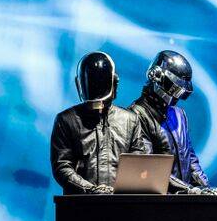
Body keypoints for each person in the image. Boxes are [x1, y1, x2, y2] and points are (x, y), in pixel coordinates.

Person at [129, 50, 217, 194]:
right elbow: (149, 169)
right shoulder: (136, 116)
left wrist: (208, 190)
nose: (176, 97)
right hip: (159, 200)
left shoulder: (179, 115)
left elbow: (191, 161)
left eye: (181, 93)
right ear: (156, 76)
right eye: (174, 89)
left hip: (185, 198)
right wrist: (192, 191)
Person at [50, 51, 146, 194]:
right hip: (81, 204)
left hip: (121, 203)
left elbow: (138, 164)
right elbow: (62, 166)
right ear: (114, 83)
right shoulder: (66, 120)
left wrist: (116, 193)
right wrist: (91, 190)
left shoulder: (130, 120)